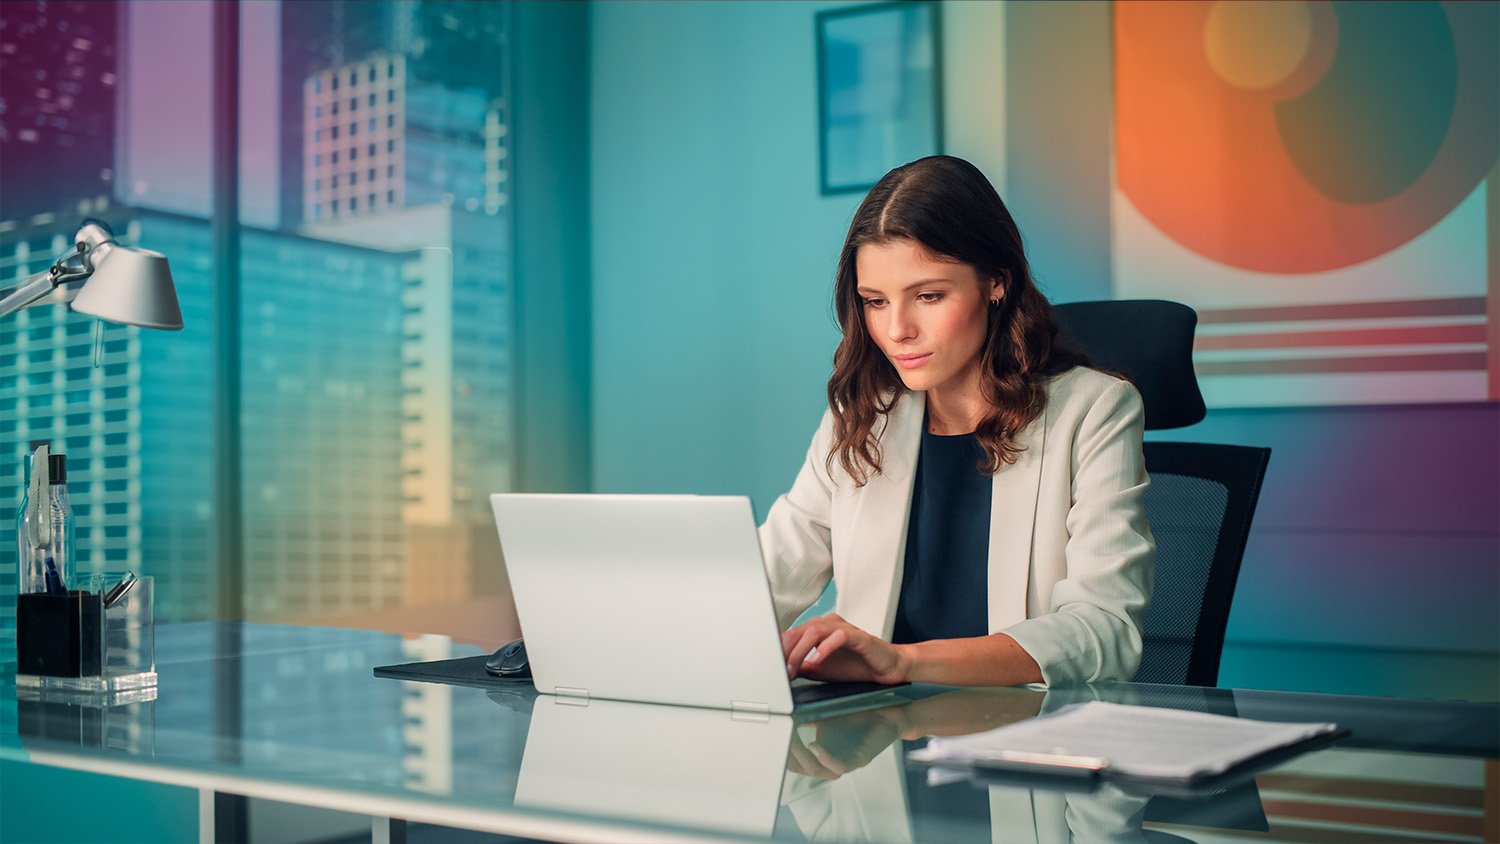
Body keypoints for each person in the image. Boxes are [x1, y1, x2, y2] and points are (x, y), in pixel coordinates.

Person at [760, 155, 1154, 688]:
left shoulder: (1095, 410)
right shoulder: (861, 414)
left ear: (995, 282)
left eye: (928, 296)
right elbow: (765, 578)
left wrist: (903, 664)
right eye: (875, 301)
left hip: (1019, 743)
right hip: (879, 749)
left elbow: (1105, 631)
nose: (897, 330)